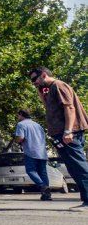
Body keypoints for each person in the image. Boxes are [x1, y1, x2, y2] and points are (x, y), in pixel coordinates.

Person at [29, 67, 88, 211]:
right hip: (62, 134)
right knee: (73, 168)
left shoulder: (59, 86)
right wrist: (40, 92)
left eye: (34, 79)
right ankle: (86, 200)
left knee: (79, 166)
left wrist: (68, 131)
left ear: (44, 75)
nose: (33, 82)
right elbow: (48, 107)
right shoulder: (50, 90)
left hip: (69, 133)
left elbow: (69, 108)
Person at [14, 109, 51, 200]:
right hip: (42, 151)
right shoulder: (38, 125)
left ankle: (42, 186)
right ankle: (46, 195)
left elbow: (20, 138)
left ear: (21, 114)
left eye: (18, 115)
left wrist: (17, 140)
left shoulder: (21, 124)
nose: (17, 117)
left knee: (30, 171)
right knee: (43, 173)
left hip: (30, 151)